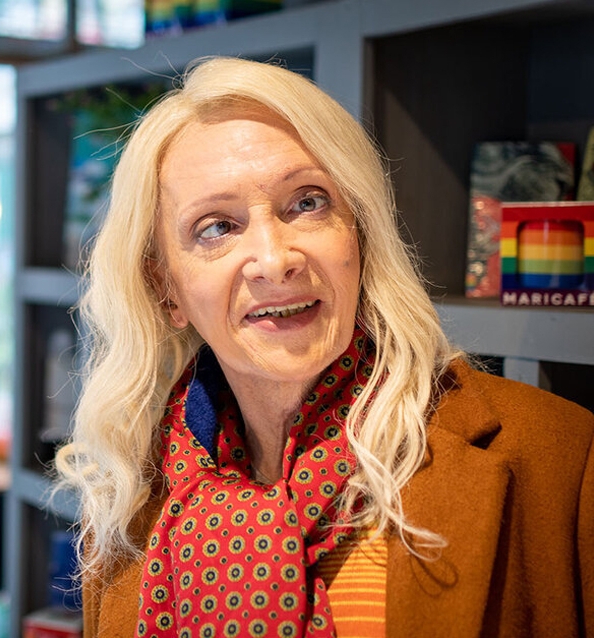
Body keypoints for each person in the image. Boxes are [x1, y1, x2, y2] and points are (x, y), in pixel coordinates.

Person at [53, 56, 594, 638]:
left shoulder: (560, 453)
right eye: (216, 227)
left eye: (307, 203)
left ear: (359, 233)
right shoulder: (127, 498)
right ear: (166, 287)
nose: (274, 259)